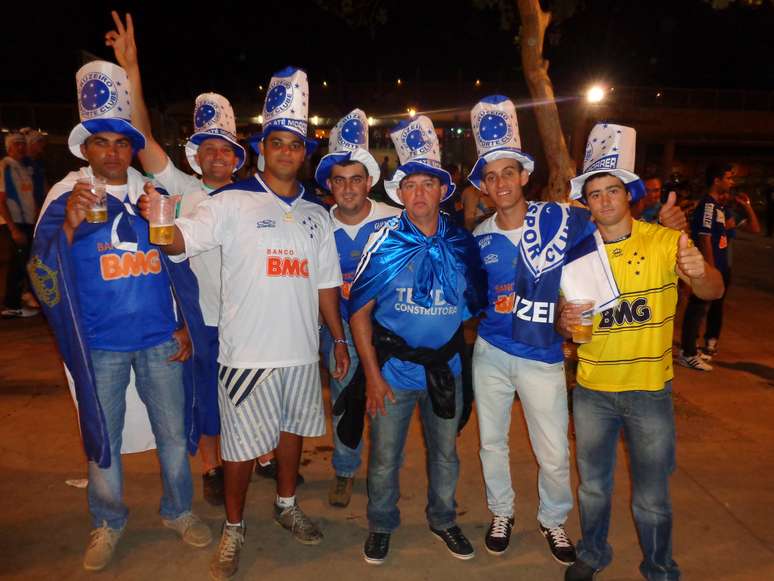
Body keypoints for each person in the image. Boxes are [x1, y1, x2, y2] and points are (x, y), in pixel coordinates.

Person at [139, 66, 349, 581]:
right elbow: (180, 242)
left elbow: (325, 283)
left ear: (305, 152)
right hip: (246, 354)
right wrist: (159, 221)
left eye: (294, 144)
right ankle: (235, 527)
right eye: (276, 142)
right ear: (261, 148)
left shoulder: (317, 215)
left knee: (293, 434)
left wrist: (337, 338)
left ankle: (285, 503)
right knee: (236, 450)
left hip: (300, 350)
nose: (285, 151)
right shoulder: (228, 203)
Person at [30, 59, 212, 572]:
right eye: (101, 143)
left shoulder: (151, 195)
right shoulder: (67, 195)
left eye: (121, 142)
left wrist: (183, 324)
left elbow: (180, 262)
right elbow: (41, 273)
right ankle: (107, 522)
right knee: (102, 437)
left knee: (174, 436)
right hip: (100, 344)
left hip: (159, 338)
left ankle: (179, 511)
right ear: (85, 149)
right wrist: (66, 227)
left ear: (132, 147)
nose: (112, 152)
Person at [559, 124, 724, 581]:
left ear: (628, 194)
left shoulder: (665, 242)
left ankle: (659, 567)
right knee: (593, 488)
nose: (605, 200)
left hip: (649, 392)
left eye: (613, 190)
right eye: (595, 194)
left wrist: (699, 268)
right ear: (586, 203)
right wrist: (564, 324)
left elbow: (712, 289)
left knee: (652, 497)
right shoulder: (576, 254)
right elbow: (564, 319)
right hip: (592, 390)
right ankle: (592, 553)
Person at [468, 101, 621, 565]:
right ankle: (502, 512)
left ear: (523, 176)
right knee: (491, 442)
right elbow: (473, 296)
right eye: (491, 177)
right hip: (491, 352)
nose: (500, 184)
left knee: (553, 451)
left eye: (507, 173)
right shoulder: (478, 235)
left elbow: (609, 235)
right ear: (486, 186)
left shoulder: (561, 219)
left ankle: (553, 520)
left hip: (542, 355)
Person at [105, 11, 246, 506]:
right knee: (203, 395)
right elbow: (141, 140)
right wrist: (131, 71)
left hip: (244, 318)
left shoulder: (252, 198)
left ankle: (254, 456)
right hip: (201, 316)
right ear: (196, 156)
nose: (216, 156)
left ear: (236, 158)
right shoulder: (181, 190)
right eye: (207, 149)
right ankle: (211, 465)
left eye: (224, 150)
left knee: (244, 395)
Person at [347, 115, 486, 565]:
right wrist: (371, 375)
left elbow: (472, 308)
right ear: (400, 193)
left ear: (443, 191)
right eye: (411, 184)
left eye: (429, 183)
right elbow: (359, 311)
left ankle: (444, 519)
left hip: (446, 369)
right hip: (393, 372)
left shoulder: (462, 244)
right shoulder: (383, 242)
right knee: (385, 457)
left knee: (446, 455)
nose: (420, 193)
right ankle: (382, 523)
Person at [313, 108, 399, 507]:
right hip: (338, 331)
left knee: (387, 404)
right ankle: (345, 471)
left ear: (369, 182)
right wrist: (336, 338)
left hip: (388, 331)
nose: (348, 189)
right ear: (330, 184)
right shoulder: (315, 225)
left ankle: (383, 474)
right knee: (345, 405)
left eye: (356, 180)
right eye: (340, 181)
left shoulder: (395, 222)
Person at [679, 162, 736, 370]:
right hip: (707, 268)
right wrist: (710, 270)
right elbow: (704, 237)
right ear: (717, 180)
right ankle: (688, 352)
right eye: (728, 178)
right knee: (697, 308)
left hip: (719, 266)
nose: (731, 182)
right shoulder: (708, 205)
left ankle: (693, 348)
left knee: (705, 309)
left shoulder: (719, 206)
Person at [1, 132, 38, 318]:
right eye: (17, 144)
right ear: (9, 148)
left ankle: (23, 298)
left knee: (25, 261)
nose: (21, 147)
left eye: (23, 143)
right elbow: (1, 199)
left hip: (27, 221)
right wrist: (13, 228)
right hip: (15, 222)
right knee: (17, 263)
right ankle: (10, 305)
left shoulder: (23, 166)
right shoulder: (5, 165)